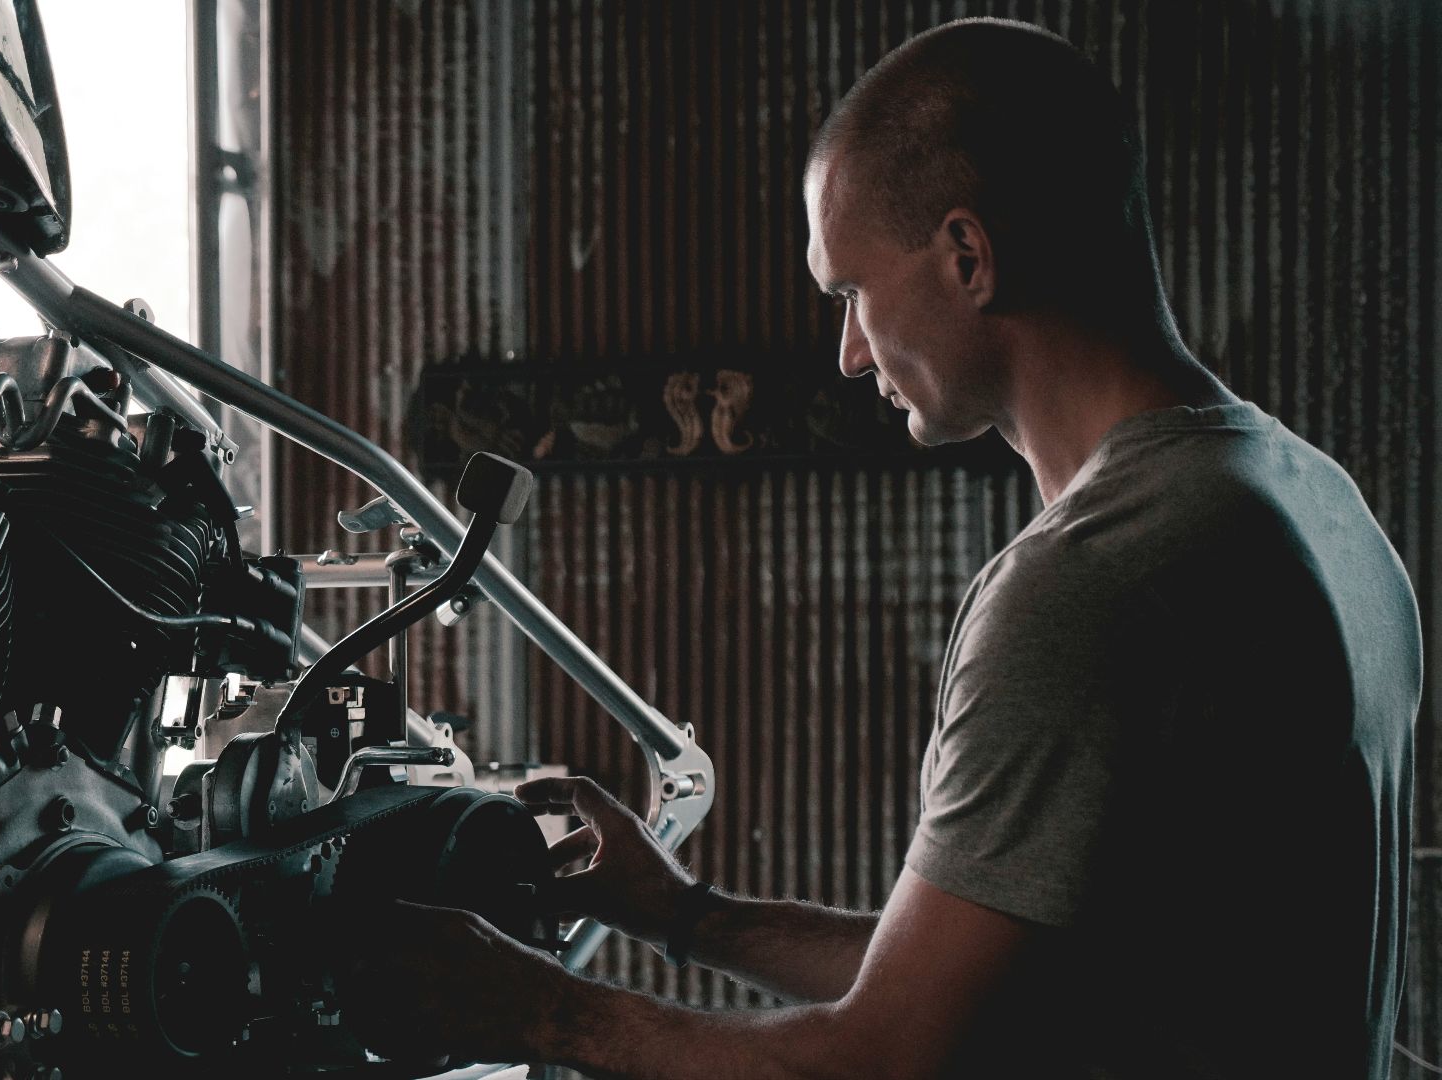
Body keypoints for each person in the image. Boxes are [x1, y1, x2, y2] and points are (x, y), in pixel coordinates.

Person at [345, 17, 1420, 1079]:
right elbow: (984, 981)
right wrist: (679, 913)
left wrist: (538, 1015)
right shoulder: (1317, 508)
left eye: (853, 293)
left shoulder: (1092, 581)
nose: (852, 353)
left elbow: (882, 1060)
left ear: (967, 256)